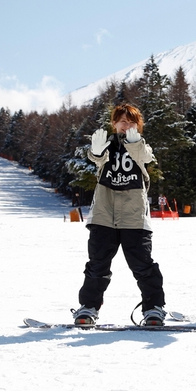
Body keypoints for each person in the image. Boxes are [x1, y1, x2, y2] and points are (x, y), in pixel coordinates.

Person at [72, 104, 166, 326]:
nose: (127, 126)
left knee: (143, 264)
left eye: (132, 122)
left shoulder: (141, 146)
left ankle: (153, 308)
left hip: (134, 217)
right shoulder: (106, 145)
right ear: (114, 123)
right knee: (97, 264)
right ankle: (88, 308)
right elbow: (97, 159)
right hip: (104, 215)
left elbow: (146, 158)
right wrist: (95, 151)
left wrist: (134, 144)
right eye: (122, 121)